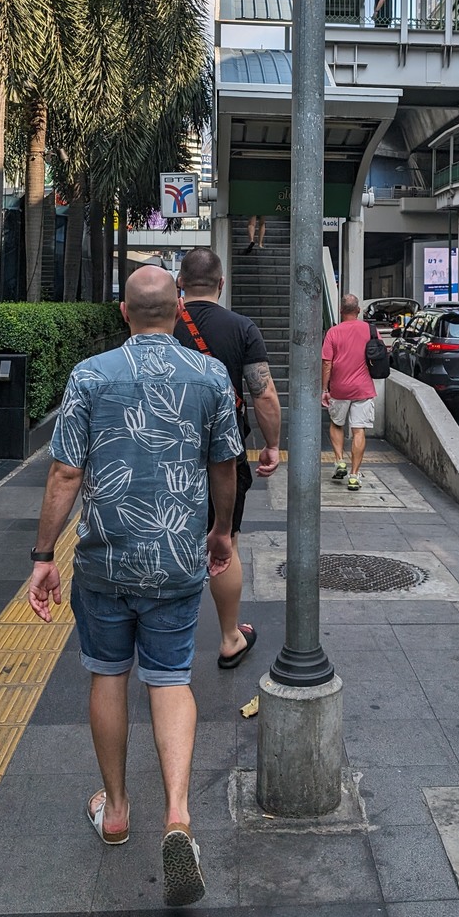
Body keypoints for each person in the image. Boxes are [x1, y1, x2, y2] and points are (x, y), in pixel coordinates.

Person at [28, 267, 240, 908]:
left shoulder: (91, 375)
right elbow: (224, 465)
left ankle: (116, 809)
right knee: (171, 679)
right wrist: (221, 533)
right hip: (177, 555)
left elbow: (66, 471)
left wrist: (43, 555)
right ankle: (178, 816)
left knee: (107, 674)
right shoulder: (209, 375)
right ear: (180, 310)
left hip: (104, 560)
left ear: (124, 312)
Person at [175, 247, 281, 667]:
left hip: (168, 453)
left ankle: (163, 637)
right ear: (222, 284)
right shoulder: (242, 328)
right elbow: (264, 392)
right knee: (225, 544)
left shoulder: (163, 325)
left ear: (180, 283)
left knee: (168, 539)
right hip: (226, 455)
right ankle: (229, 637)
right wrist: (271, 444)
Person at [321, 293, 380, 491]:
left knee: (337, 424)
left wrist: (324, 389)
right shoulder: (371, 330)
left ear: (340, 311)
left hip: (339, 388)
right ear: (358, 310)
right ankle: (354, 475)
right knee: (358, 430)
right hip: (363, 388)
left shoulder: (333, 332)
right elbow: (379, 355)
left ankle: (339, 461)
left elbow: (327, 363)